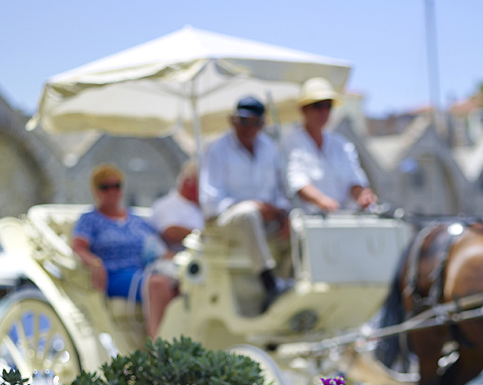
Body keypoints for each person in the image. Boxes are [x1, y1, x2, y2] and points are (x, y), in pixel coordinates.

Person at [200, 95, 292, 312]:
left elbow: (281, 191)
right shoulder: (217, 150)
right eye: (243, 121)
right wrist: (255, 206)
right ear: (232, 120)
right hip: (225, 221)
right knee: (248, 214)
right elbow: (211, 202)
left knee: (299, 225)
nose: (248, 127)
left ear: (262, 124)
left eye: (255, 122)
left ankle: (288, 284)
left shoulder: (270, 148)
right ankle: (269, 283)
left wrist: (281, 212)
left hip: (263, 220)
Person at [71, 164, 175, 339]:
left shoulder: (136, 220)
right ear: (96, 191)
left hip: (145, 271)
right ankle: (158, 346)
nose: (112, 191)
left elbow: (157, 248)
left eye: (116, 185)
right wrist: (94, 262)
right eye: (105, 187)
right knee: (158, 284)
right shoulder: (90, 219)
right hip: (114, 275)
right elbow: (78, 246)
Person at [284, 77, 378, 213]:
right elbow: (296, 181)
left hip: (343, 219)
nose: (324, 111)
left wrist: (362, 195)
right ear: (304, 109)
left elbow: (354, 179)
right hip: (309, 220)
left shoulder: (342, 144)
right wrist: (322, 201)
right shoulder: (290, 141)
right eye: (318, 105)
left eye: (328, 106)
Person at [150, 160, 204, 252]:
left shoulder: (201, 207)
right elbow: (171, 232)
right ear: (188, 182)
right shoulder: (165, 205)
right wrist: (205, 236)